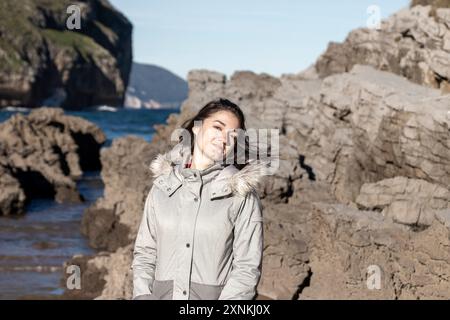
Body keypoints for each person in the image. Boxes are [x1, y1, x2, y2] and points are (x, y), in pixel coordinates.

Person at [131, 98, 270, 300]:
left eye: (233, 135)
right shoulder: (162, 188)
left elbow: (247, 267)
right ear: (196, 128)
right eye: (217, 128)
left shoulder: (240, 194)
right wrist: (142, 295)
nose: (224, 139)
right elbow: (145, 252)